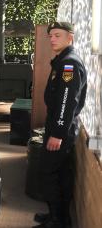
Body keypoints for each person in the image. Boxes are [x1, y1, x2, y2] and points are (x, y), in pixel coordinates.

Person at [33, 22, 87, 228]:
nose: (53, 39)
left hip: (60, 129)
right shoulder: (63, 61)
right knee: (59, 173)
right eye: (51, 36)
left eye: (57, 35)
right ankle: (58, 217)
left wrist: (57, 133)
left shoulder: (69, 65)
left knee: (48, 173)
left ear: (70, 37)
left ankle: (57, 221)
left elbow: (67, 102)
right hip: (59, 126)